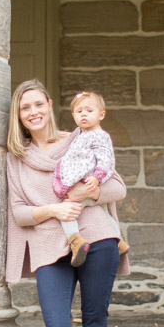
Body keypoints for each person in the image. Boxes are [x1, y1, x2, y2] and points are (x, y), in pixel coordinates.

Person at [6, 79, 130, 327]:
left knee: (95, 326)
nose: (33, 112)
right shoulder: (17, 158)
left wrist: (85, 193)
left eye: (38, 104)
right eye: (24, 108)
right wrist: (53, 209)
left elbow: (118, 187)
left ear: (49, 105)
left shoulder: (81, 138)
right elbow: (18, 213)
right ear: (19, 116)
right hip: (49, 247)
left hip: (95, 238)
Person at [52, 91, 130, 266]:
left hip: (87, 182)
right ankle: (119, 241)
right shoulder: (81, 135)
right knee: (104, 211)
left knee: (67, 212)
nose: (84, 114)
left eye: (89, 110)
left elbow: (106, 158)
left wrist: (97, 177)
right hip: (87, 182)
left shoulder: (99, 136)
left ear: (101, 114)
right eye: (79, 112)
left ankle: (75, 241)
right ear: (73, 116)